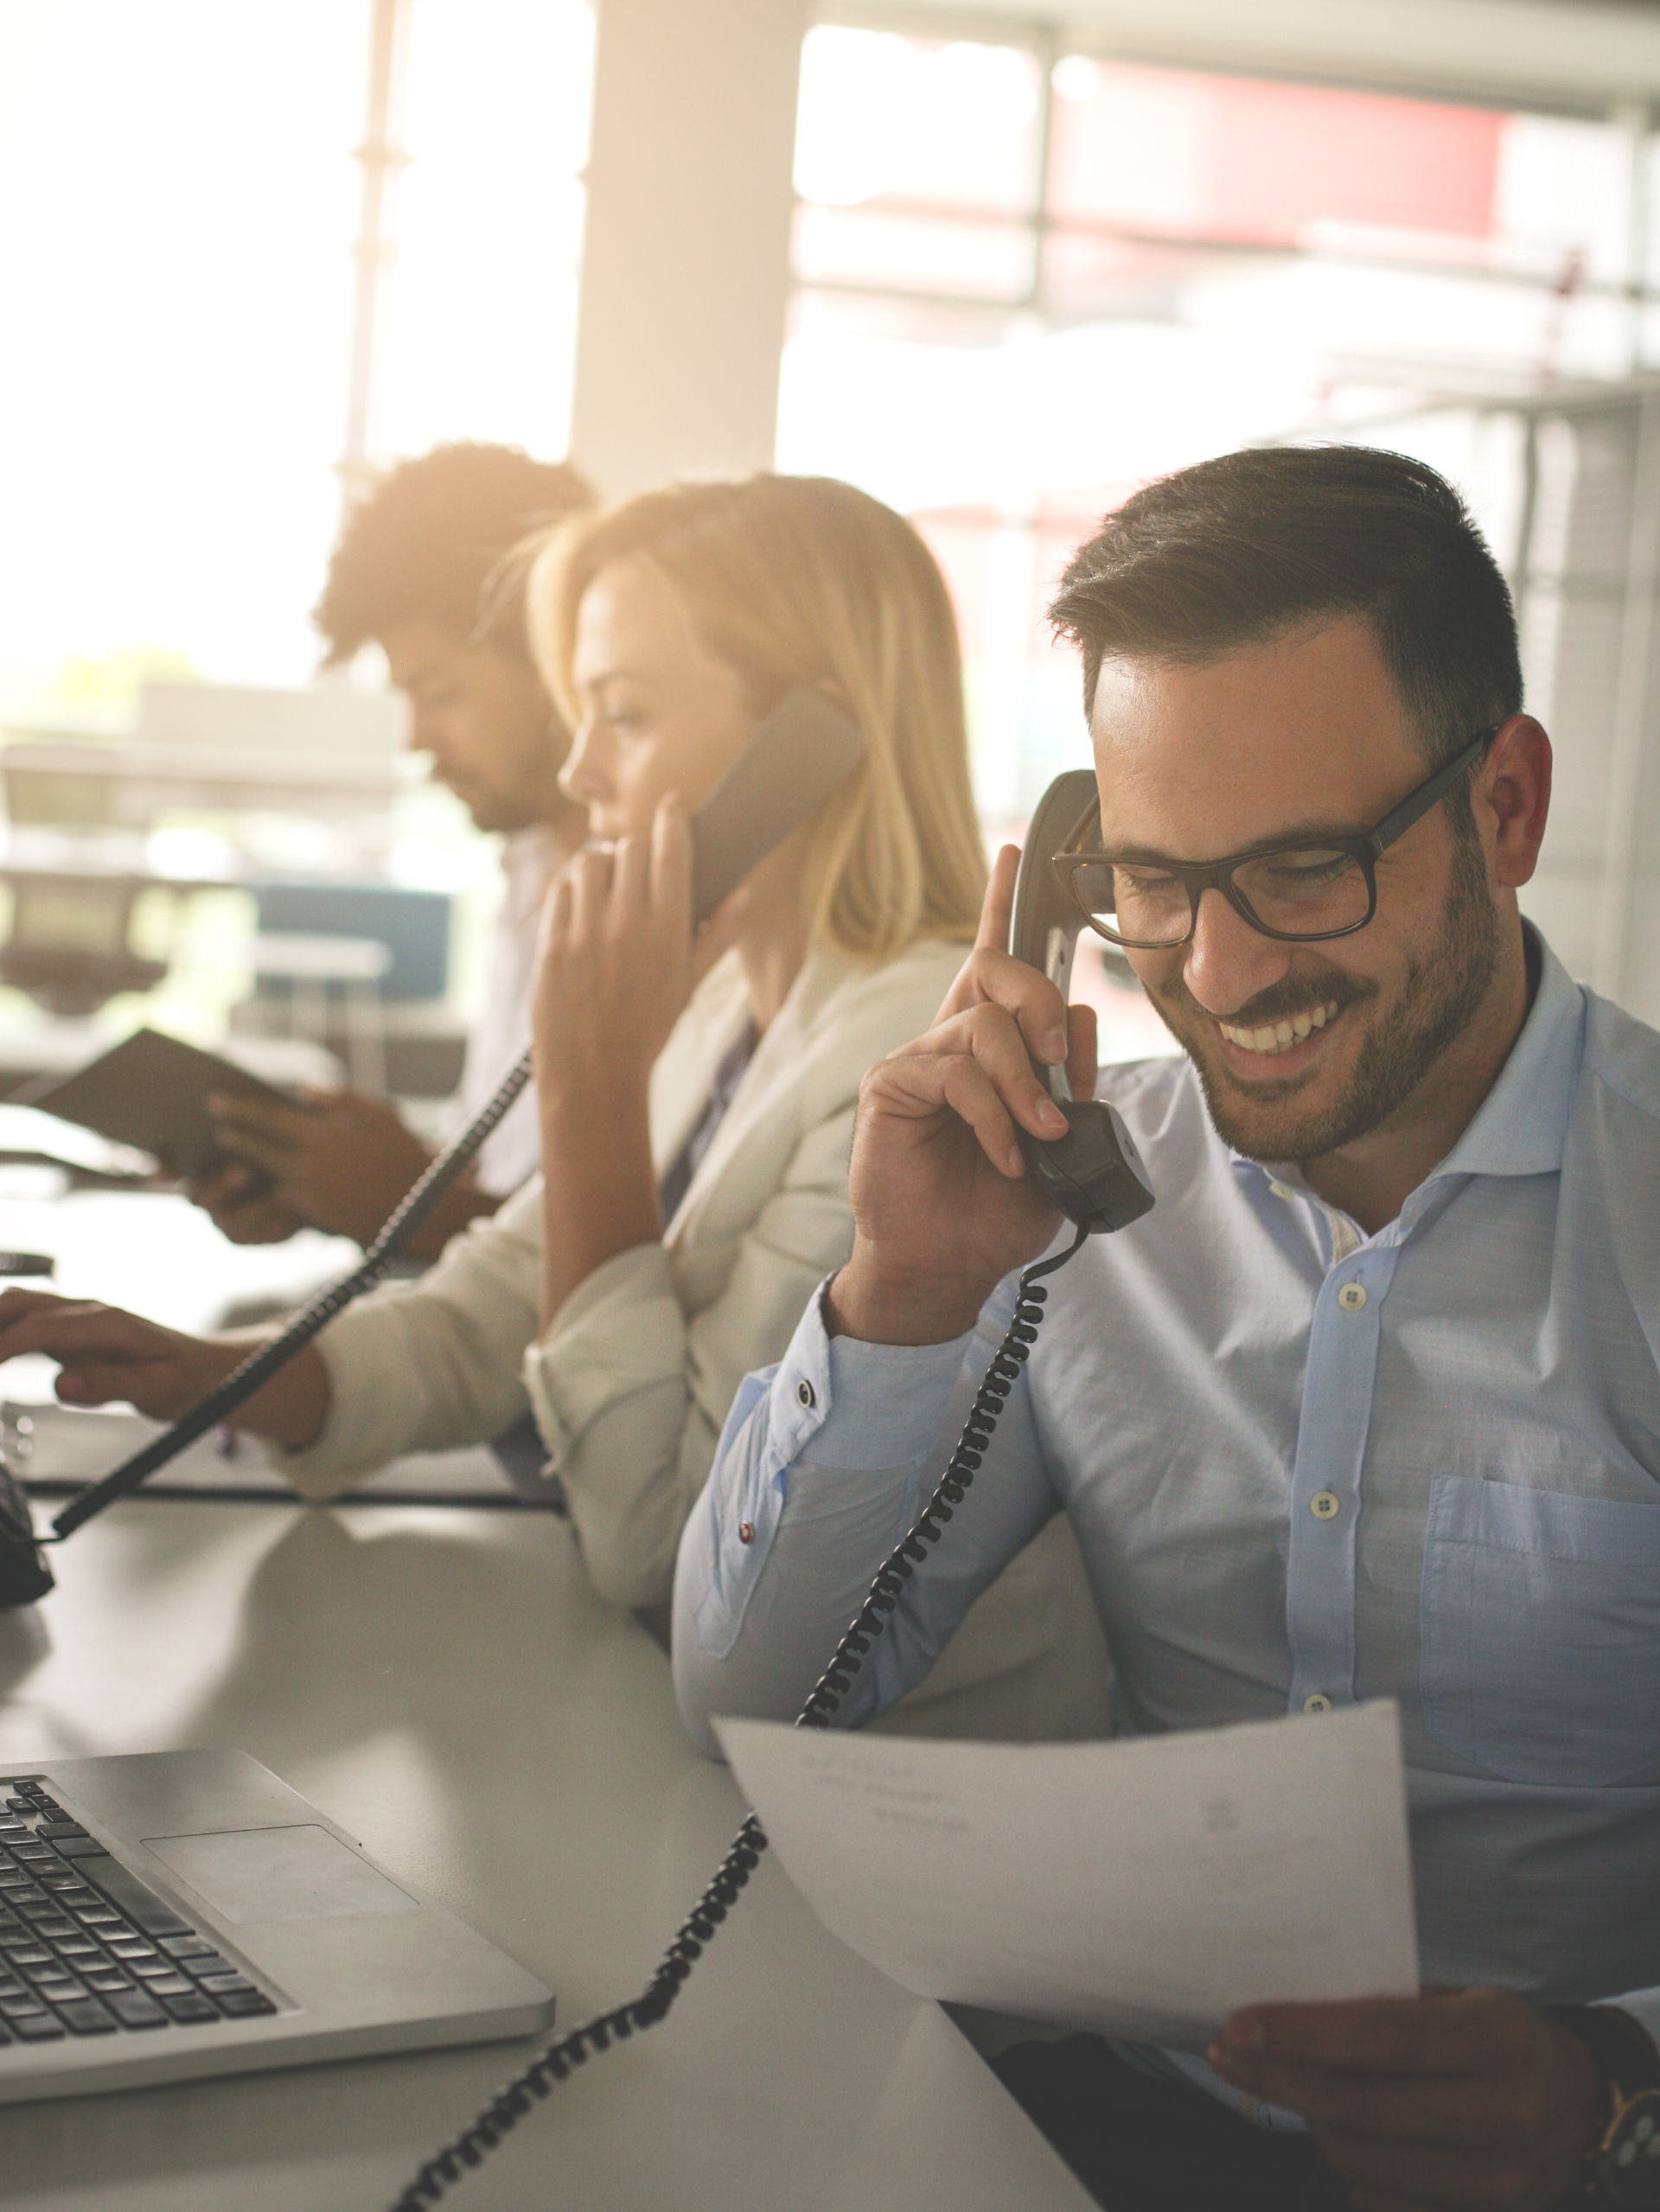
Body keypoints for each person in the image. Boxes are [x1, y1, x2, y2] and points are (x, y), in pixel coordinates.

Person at [674, 447, 1660, 2212]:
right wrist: (901, 1298)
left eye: (1302, 870)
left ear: (1504, 806)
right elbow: (751, 1694)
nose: (1212, 975)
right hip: (1105, 2139)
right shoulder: (1075, 1194)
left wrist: (1616, 2087)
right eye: (1151, 882)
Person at [0, 475, 1110, 1735]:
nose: (579, 769)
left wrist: (587, 1090)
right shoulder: (723, 1004)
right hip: (663, 1721)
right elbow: (484, 1322)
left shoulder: (919, 1063)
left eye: (622, 715)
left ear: (814, 743)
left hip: (888, 1790)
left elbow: (659, 1536)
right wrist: (211, 1377)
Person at [193, 440, 592, 1262]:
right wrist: (348, 1183)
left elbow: (630, 1273)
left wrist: (406, 1204)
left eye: (440, 692)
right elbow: (509, 1181)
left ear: (561, 658)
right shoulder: (526, 866)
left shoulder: (693, 914)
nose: (417, 740)